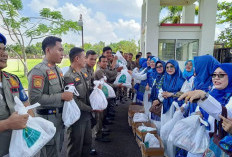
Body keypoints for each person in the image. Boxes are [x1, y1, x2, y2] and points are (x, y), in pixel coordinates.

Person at [28, 36, 73, 157]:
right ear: (48, 50)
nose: (63, 53)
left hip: (58, 119)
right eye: (60, 50)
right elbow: (34, 99)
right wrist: (62, 96)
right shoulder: (38, 71)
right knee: (48, 153)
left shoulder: (57, 70)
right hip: (46, 119)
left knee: (57, 150)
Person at [179, 63, 232, 157]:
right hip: (204, 137)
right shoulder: (213, 91)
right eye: (214, 75)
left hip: (220, 144)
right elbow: (202, 107)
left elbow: (224, 114)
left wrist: (203, 97)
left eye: (221, 75)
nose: (216, 78)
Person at [0, 33, 33, 157]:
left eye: (4, 49)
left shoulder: (12, 79)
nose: (4, 54)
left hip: (19, 148)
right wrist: (7, 124)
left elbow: (26, 105)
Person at [64, 47, 92, 157]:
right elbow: (73, 100)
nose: (86, 60)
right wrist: (91, 108)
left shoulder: (83, 73)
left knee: (87, 143)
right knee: (75, 146)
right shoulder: (69, 77)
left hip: (86, 115)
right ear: (77, 58)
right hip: (77, 117)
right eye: (84, 57)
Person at [158, 60, 185, 157]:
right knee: (164, 129)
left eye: (172, 67)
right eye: (167, 67)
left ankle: (172, 154)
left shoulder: (182, 80)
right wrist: (163, 95)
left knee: (172, 132)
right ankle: (166, 153)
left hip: (176, 109)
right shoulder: (165, 78)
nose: (169, 69)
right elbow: (161, 90)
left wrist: (171, 94)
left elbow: (185, 93)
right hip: (165, 107)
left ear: (176, 67)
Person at [82, 50, 98, 155]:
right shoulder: (83, 70)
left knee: (90, 126)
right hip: (83, 103)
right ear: (86, 58)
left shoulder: (91, 69)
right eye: (91, 59)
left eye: (95, 59)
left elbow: (90, 85)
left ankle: (87, 149)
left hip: (90, 101)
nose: (93, 61)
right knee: (82, 132)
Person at [149, 60, 166, 131]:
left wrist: (159, 100)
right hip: (155, 100)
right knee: (154, 123)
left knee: (160, 123)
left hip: (162, 103)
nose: (159, 68)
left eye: (161, 66)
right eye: (157, 67)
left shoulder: (166, 78)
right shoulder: (157, 77)